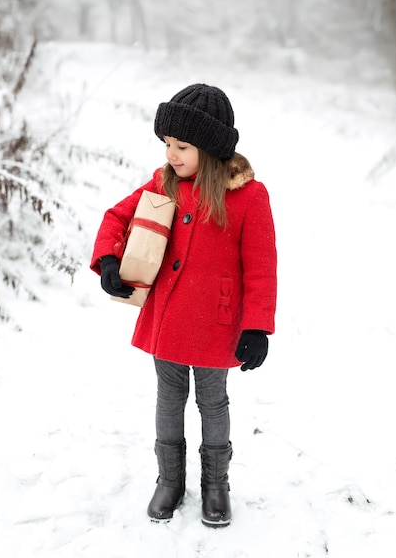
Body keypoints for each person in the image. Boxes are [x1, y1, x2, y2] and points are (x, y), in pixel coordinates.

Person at [90, 83, 277, 527]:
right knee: (168, 399)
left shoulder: (249, 197)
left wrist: (256, 326)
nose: (171, 154)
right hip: (168, 317)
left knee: (213, 404)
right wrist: (110, 258)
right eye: (167, 144)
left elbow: (262, 266)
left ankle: (216, 484)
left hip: (216, 322)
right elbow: (118, 217)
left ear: (210, 148)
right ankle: (169, 480)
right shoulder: (164, 183)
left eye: (182, 146)